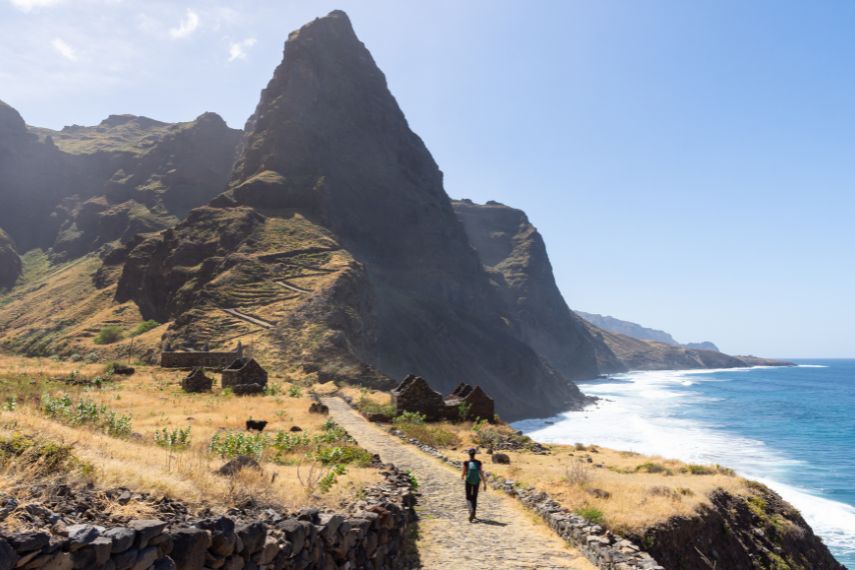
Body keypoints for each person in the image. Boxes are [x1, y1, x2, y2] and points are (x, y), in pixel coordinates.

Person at [461, 448, 486, 522]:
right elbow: (481, 473)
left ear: (469, 454)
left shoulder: (466, 462)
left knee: (468, 496)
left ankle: (471, 511)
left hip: (468, 481)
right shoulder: (479, 462)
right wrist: (484, 483)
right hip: (477, 481)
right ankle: (474, 512)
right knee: (474, 497)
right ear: (475, 454)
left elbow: (464, 472)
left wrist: (462, 476)